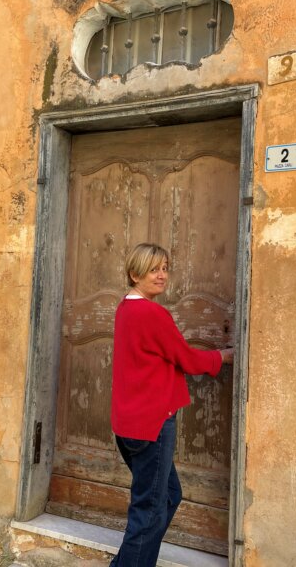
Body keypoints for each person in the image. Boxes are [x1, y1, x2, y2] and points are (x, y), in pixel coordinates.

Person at [109, 242, 234, 567]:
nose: (162, 275)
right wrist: (222, 356)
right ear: (135, 274)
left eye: (165, 268)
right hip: (152, 425)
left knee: (166, 497)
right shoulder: (152, 313)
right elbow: (188, 359)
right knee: (149, 510)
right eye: (154, 269)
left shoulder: (125, 307)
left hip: (129, 426)